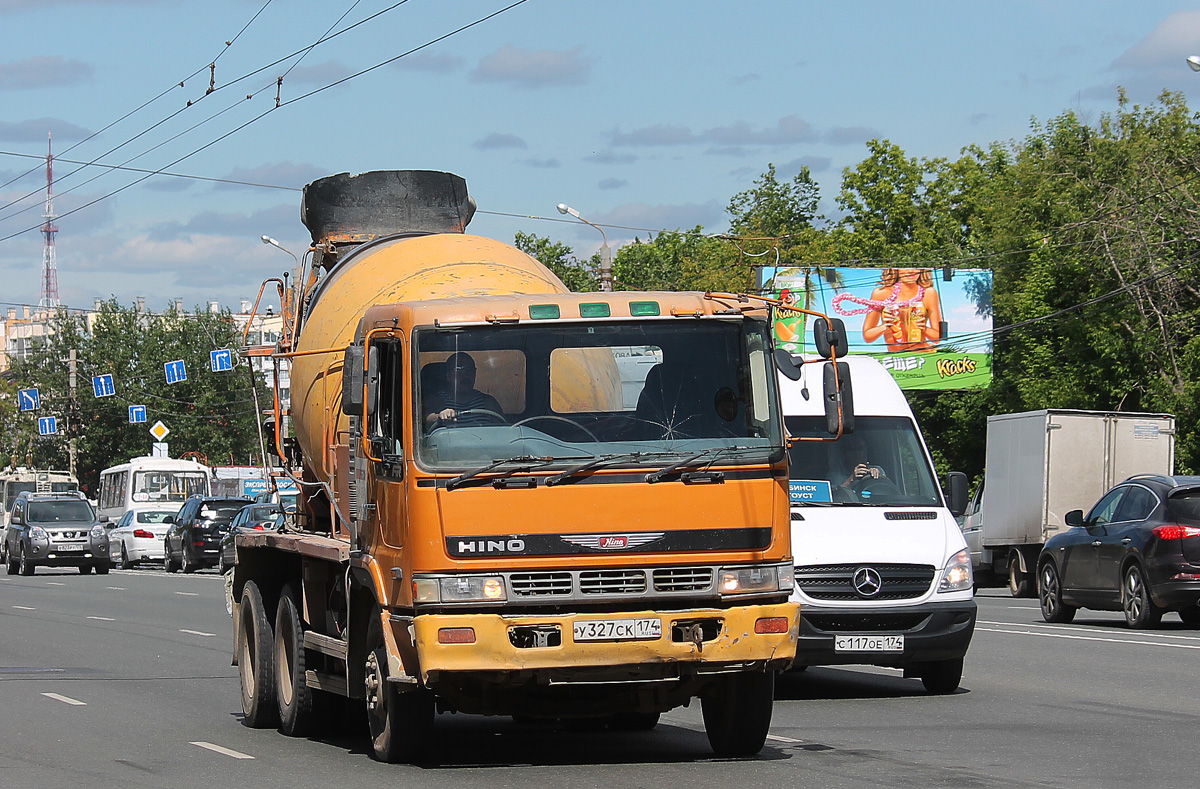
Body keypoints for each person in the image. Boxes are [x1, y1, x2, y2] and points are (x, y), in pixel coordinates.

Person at [859, 268, 943, 352]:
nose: (911, 271)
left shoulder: (929, 293)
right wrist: (886, 327)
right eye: (905, 267)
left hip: (924, 355)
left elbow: (937, 338)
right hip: (896, 358)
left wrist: (923, 328)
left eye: (916, 267)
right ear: (895, 269)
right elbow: (868, 337)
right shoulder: (881, 293)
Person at [423, 352, 505, 429]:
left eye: (470, 370)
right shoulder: (436, 400)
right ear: (448, 376)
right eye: (459, 370)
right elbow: (424, 421)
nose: (466, 375)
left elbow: (503, 430)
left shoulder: (488, 402)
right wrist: (440, 417)